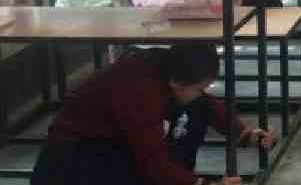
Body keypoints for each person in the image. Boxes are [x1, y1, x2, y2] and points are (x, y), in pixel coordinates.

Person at [31, 43, 277, 185]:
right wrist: (202, 184)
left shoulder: (168, 64)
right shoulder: (140, 92)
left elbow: (206, 103)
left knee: (195, 111)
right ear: (176, 82)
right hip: (74, 160)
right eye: (200, 87)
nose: (202, 92)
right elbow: (152, 160)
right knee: (154, 166)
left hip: (110, 142)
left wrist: (245, 134)